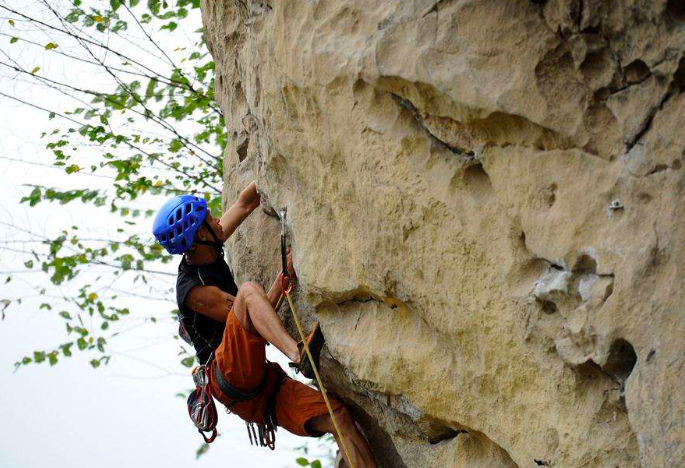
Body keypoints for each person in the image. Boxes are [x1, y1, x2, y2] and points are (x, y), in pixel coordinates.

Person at [152, 181, 378, 468]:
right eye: (208, 219)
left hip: (263, 390)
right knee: (247, 291)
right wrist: (276, 285)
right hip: (228, 372)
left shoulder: (211, 240)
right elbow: (247, 313)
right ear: (197, 238)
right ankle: (299, 354)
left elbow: (247, 202)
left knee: (339, 416)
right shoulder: (193, 290)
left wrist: (275, 155)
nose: (216, 220)